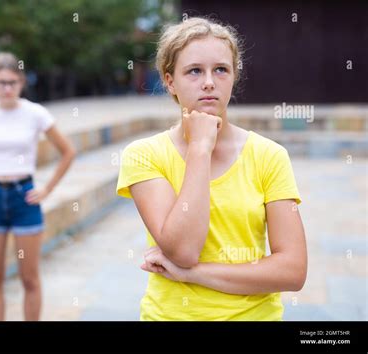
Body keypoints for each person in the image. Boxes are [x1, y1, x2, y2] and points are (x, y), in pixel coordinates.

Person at [116, 17, 307, 320]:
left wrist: (192, 274)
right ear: (169, 81)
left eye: (221, 69)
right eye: (194, 71)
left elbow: (293, 270)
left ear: (233, 76)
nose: (209, 81)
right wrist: (200, 148)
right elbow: (184, 250)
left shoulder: (270, 156)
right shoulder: (144, 156)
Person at [0, 52, 76, 320]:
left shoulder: (35, 113)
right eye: (1, 82)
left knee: (30, 278)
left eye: (12, 82)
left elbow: (68, 151)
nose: (7, 88)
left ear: (21, 82)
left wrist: (47, 189)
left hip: (23, 198)